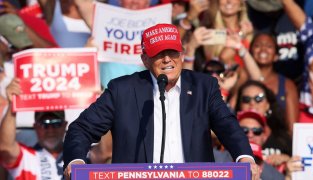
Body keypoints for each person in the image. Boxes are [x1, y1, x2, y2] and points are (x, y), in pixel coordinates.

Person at [63, 23, 260, 179]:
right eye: (158, 54)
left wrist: (244, 157)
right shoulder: (122, 90)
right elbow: (81, 128)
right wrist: (76, 161)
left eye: (173, 52)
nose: (167, 60)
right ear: (145, 59)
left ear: (182, 54)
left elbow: (227, 125)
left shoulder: (204, 87)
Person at [0, 78, 67, 179]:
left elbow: (100, 157)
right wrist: (13, 105)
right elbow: (5, 149)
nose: (50, 129)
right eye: (44, 124)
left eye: (56, 123)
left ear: (65, 125)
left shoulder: (80, 156)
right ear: (35, 126)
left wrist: (99, 105)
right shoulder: (26, 157)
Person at [237, 110, 285, 179]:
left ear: (264, 137)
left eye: (257, 131)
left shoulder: (276, 176)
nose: (250, 135)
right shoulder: (217, 159)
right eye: (244, 130)